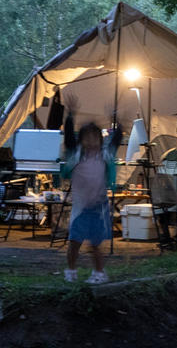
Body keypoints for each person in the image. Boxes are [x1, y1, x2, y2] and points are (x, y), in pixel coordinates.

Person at [61, 113, 122, 284]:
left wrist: (118, 121)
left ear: (100, 139)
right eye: (87, 137)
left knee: (95, 244)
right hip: (80, 206)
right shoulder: (76, 155)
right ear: (81, 140)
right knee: (74, 242)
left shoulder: (105, 156)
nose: (91, 141)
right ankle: (71, 271)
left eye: (95, 137)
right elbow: (68, 139)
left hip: (98, 205)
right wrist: (70, 116)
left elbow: (116, 140)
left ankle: (99, 273)